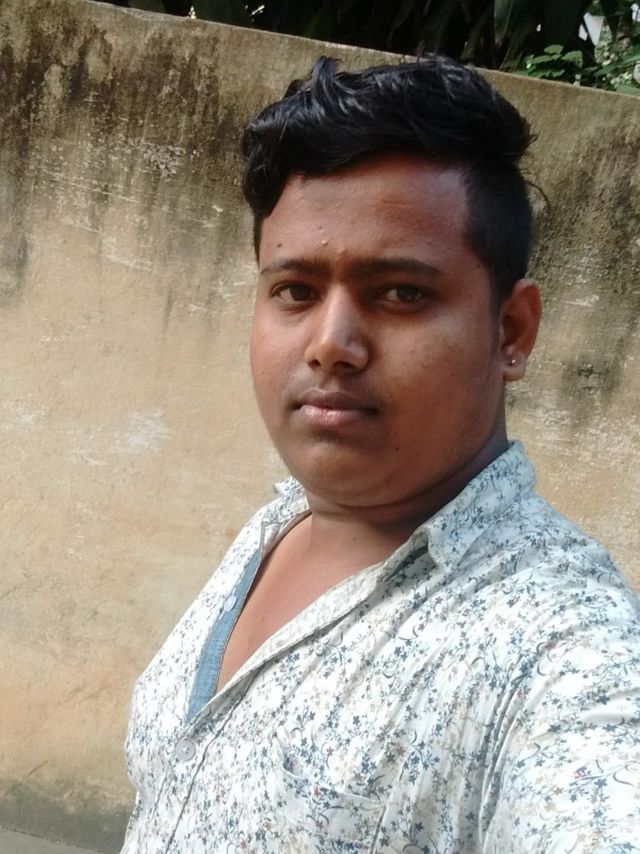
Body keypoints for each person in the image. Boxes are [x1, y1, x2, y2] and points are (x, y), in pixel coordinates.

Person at [121, 56, 640, 853]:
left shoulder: (556, 642)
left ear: (511, 332)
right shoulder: (282, 521)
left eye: (401, 293)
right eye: (295, 290)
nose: (331, 344)